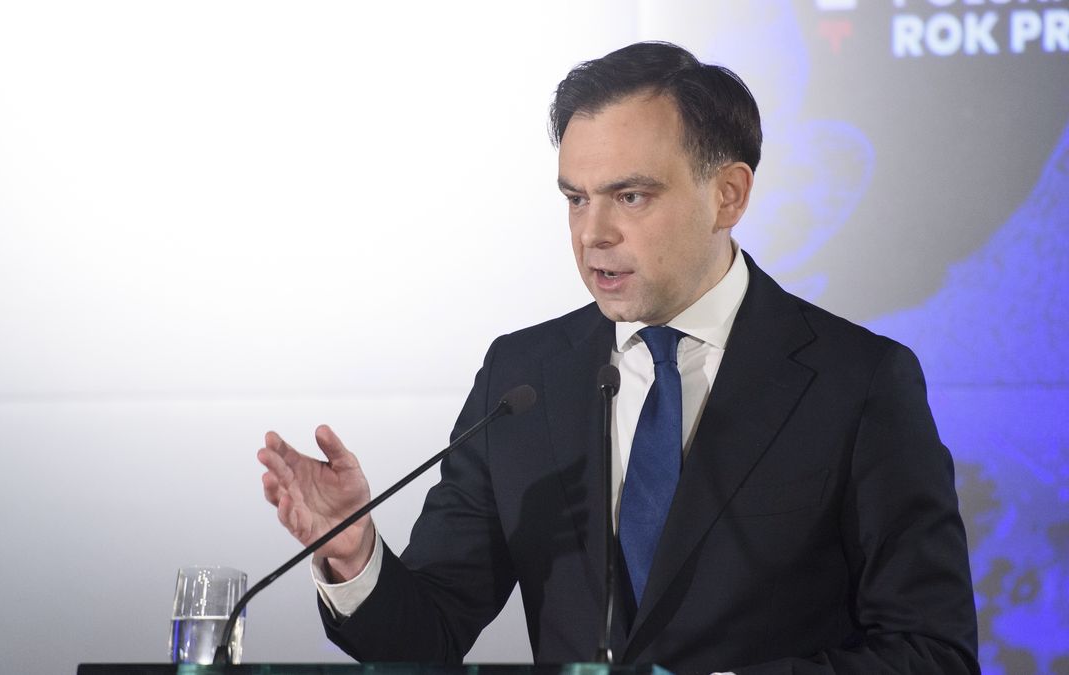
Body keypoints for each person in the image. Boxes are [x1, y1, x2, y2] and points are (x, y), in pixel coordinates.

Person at [257, 41, 979, 674]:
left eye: (630, 196)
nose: (592, 233)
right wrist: (355, 555)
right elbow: (432, 633)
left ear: (727, 194)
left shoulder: (858, 382)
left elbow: (932, 650)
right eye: (575, 199)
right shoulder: (524, 376)